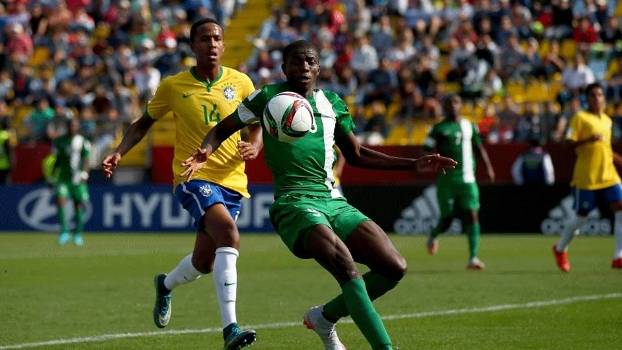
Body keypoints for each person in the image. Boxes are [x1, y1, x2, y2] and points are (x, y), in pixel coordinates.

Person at [182, 40, 456, 350]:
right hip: (294, 204)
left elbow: (355, 154)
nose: (303, 68)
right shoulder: (269, 98)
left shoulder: (333, 104)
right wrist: (205, 149)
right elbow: (223, 128)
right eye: (295, 63)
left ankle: (324, 317)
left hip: (333, 200)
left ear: (318, 67)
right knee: (346, 267)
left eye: (309, 62)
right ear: (284, 68)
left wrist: (412, 164)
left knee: (394, 267)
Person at [101, 18, 261, 349]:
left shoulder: (241, 82)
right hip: (193, 176)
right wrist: (118, 151)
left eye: (217, 38)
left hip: (233, 179)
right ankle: (230, 327)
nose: (213, 44)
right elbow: (142, 123)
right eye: (205, 39)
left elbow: (256, 120)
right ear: (193, 46)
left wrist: (255, 143)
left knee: (204, 261)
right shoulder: (174, 86)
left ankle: (165, 285)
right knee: (229, 236)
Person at [553, 82, 622, 272]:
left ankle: (618, 256)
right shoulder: (580, 118)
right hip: (587, 177)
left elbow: (606, 149)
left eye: (600, 95)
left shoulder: (607, 120)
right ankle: (560, 249)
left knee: (620, 208)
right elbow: (567, 144)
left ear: (604, 98)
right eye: (593, 95)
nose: (597, 98)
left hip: (609, 174)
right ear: (587, 99)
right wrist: (588, 140)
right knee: (581, 218)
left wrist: (618, 160)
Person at [423, 94, 495, 270]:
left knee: (472, 214)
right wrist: (432, 162)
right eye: (449, 102)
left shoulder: (470, 126)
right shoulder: (438, 128)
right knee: (447, 219)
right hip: (447, 180)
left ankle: (473, 257)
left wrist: (488, 167)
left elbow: (479, 148)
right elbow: (425, 149)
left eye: (455, 102)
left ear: (461, 105)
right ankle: (433, 236)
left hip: (468, 178)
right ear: (445, 107)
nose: (452, 105)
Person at [50, 117, 91, 246]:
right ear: (67, 127)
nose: (73, 127)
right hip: (63, 177)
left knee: (78, 204)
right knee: (60, 200)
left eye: (75, 125)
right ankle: (64, 232)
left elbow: (86, 159)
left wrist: (85, 173)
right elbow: (57, 160)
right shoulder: (59, 141)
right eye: (71, 125)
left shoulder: (83, 141)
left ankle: (78, 234)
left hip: (77, 178)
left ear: (78, 127)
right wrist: (52, 175)